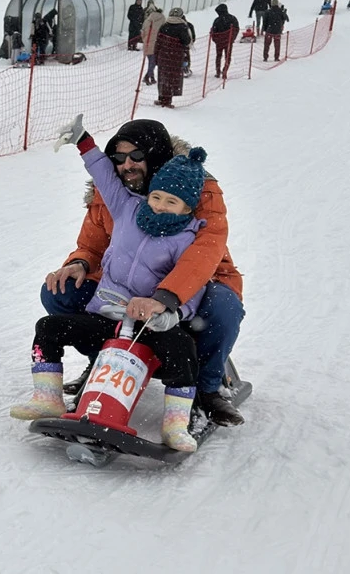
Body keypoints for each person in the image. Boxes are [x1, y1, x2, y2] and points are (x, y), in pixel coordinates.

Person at [14, 118, 211, 452]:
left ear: (188, 208)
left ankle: (176, 424)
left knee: (182, 351)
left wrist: (168, 313)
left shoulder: (189, 238)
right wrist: (83, 141)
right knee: (48, 327)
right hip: (108, 316)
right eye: (157, 197)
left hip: (151, 326)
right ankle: (48, 397)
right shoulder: (126, 207)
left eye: (171, 202)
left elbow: (195, 283)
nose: (160, 206)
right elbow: (103, 173)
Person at [40, 118, 246, 427]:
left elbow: (204, 255)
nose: (126, 165)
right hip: (126, 286)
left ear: (155, 155)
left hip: (195, 281)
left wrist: (165, 298)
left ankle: (207, 387)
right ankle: (103, 362)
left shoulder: (195, 188)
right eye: (119, 158)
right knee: (61, 290)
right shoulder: (114, 191)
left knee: (222, 306)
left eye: (136, 156)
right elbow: (92, 243)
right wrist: (78, 263)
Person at [154, 8, 191, 108]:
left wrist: (156, 56)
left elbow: (158, 42)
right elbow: (186, 41)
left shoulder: (164, 26)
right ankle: (167, 101)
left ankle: (161, 97)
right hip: (175, 56)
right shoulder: (182, 26)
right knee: (172, 78)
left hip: (163, 55)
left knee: (163, 77)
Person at [209, 3, 239, 79]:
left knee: (218, 56)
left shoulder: (217, 20)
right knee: (228, 57)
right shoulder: (233, 18)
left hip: (219, 42)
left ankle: (218, 72)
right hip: (228, 42)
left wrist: (215, 40)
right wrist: (232, 39)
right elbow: (236, 29)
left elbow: (214, 31)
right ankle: (225, 71)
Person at [141, 1, 165, 85]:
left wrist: (145, 40)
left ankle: (151, 77)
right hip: (156, 44)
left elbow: (142, 32)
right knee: (153, 62)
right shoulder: (162, 19)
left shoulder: (147, 20)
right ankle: (147, 77)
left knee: (151, 61)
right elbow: (164, 32)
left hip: (147, 43)